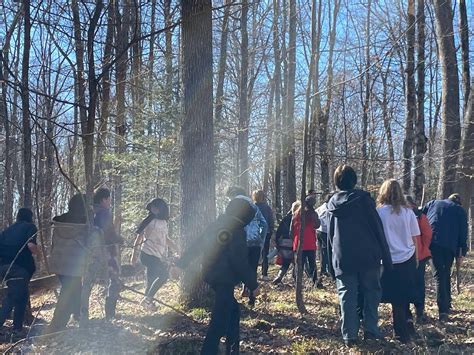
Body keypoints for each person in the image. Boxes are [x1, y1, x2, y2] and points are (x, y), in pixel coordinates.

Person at [177, 198, 260, 354]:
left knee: (233, 311)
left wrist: (181, 263)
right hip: (224, 279)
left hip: (212, 275)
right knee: (220, 320)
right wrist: (253, 285)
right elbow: (239, 260)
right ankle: (209, 351)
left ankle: (232, 348)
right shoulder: (236, 231)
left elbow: (198, 245)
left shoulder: (216, 225)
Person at [327, 165, 392, 347]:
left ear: (337, 182)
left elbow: (330, 236)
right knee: (371, 292)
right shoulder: (364, 201)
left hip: (343, 257)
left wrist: (330, 264)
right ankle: (371, 330)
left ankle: (349, 335)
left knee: (347, 295)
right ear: (354, 180)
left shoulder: (332, 205)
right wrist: (386, 258)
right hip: (368, 256)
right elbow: (377, 230)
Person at [376, 180, 420, 343]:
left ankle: (372, 329)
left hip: (385, 259)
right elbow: (415, 237)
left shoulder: (379, 213)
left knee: (380, 295)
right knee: (401, 298)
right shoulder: (408, 213)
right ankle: (402, 332)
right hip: (406, 258)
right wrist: (416, 258)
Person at [422, 193, 468, 322]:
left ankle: (446, 304)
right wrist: (462, 252)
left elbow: (421, 216)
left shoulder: (433, 203)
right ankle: (443, 309)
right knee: (443, 274)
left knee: (440, 275)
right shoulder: (459, 210)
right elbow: (463, 234)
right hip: (448, 246)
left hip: (432, 243)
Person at [49, 194, 88, 331]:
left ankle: (76, 316)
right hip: (74, 264)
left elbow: (54, 243)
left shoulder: (59, 221)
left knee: (74, 289)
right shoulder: (85, 222)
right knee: (70, 291)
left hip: (59, 262)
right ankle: (58, 324)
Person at [226, 187, 267, 306]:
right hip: (255, 242)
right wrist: (261, 239)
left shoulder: (233, 204)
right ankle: (251, 300)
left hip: (240, 241)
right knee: (252, 269)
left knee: (236, 266)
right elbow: (264, 224)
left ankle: (232, 297)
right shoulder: (253, 206)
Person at [0, 208, 38, 334]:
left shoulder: (6, 231)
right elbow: (31, 246)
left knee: (22, 297)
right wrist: (39, 254)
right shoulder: (30, 227)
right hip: (19, 269)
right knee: (13, 297)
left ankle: (17, 329)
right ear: (29, 217)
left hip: (4, 268)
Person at [131, 198, 171, 311]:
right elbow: (139, 238)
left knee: (151, 279)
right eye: (152, 207)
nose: (153, 209)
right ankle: (147, 299)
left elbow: (166, 239)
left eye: (156, 207)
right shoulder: (149, 221)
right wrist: (133, 255)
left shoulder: (163, 222)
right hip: (147, 254)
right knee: (164, 275)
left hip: (156, 255)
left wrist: (177, 247)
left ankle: (148, 305)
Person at [93, 188, 123, 320]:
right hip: (107, 251)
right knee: (115, 279)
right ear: (103, 199)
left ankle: (81, 313)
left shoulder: (93, 212)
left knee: (91, 281)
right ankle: (110, 314)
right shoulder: (104, 213)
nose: (110, 201)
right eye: (109, 198)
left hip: (95, 252)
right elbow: (108, 233)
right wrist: (119, 239)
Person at [405, 195, 432, 324]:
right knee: (419, 283)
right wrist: (423, 247)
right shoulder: (420, 215)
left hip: (406, 254)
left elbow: (427, 234)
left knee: (408, 283)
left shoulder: (402, 213)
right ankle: (419, 311)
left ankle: (408, 312)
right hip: (419, 255)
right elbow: (427, 234)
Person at [291, 196, 321, 287]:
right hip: (310, 242)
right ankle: (315, 281)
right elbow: (317, 225)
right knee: (312, 263)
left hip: (298, 242)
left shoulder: (296, 214)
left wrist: (294, 240)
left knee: (299, 264)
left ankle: (297, 283)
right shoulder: (313, 213)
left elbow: (291, 230)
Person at [272, 201, 300, 285]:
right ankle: (296, 279)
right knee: (297, 262)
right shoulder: (298, 218)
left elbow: (279, 231)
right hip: (294, 241)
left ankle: (279, 276)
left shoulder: (285, 218)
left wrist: (277, 243)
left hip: (284, 242)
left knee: (286, 262)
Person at [252, 190, 275, 280]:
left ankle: (253, 273)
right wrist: (271, 230)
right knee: (265, 252)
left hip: (254, 233)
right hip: (266, 232)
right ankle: (264, 274)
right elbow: (271, 220)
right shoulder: (267, 208)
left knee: (254, 252)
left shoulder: (252, 207)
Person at [315, 192, 334, 281]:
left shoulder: (320, 207)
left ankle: (324, 269)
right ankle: (327, 270)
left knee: (322, 251)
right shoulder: (328, 208)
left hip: (319, 231)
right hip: (324, 231)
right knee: (327, 251)